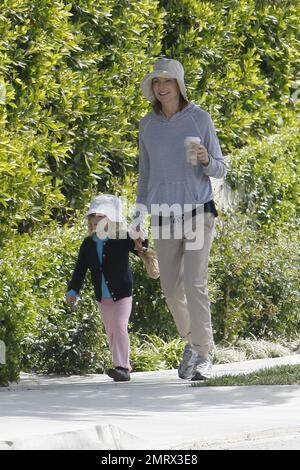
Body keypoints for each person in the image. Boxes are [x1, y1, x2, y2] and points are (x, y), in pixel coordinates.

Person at [134, 58, 226, 381]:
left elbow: (221, 167)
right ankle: (192, 341)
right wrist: (138, 217)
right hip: (163, 215)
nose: (161, 87)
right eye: (157, 82)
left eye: (167, 82)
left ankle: (203, 355)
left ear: (179, 85)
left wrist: (205, 160)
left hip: (199, 211)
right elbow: (145, 175)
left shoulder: (199, 119)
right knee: (171, 288)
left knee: (194, 282)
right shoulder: (147, 125)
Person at [66, 194, 146, 382]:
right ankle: (120, 364)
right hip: (103, 297)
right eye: (94, 216)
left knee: (119, 326)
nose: (96, 220)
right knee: (111, 330)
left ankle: (122, 367)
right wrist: (72, 291)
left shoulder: (122, 238)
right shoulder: (88, 244)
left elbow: (140, 248)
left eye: (101, 216)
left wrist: (141, 236)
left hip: (122, 294)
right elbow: (80, 269)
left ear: (112, 219)